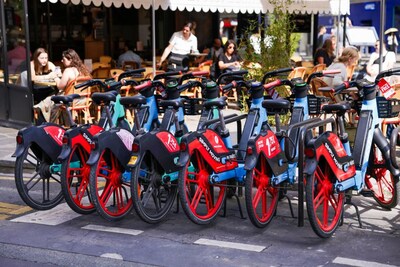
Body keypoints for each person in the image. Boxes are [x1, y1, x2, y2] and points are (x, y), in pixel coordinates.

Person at [35, 49, 91, 124]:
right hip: (83, 100)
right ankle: (66, 123)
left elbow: (60, 87)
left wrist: (55, 78)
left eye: (63, 59)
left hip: (71, 101)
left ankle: (51, 125)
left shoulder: (68, 71)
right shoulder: (83, 70)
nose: (62, 61)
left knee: (52, 102)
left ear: (70, 59)